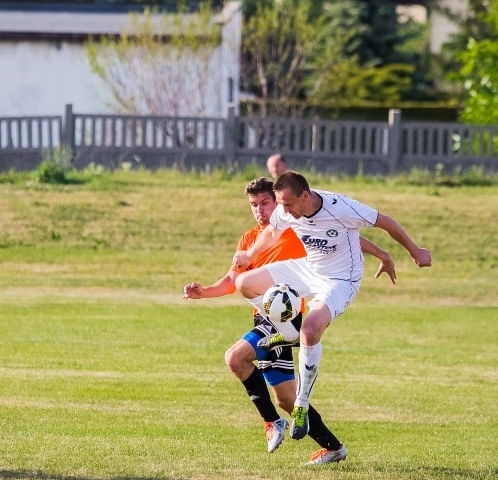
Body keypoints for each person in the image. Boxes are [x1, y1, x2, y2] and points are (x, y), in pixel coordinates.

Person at [184, 177, 396, 465]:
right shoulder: (249, 240)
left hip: (285, 318)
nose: (259, 210)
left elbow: (344, 236)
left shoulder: (295, 225)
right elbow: (232, 281)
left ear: (279, 201)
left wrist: (382, 254)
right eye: (253, 205)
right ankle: (333, 447)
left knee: (235, 358)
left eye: (265, 203)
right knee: (286, 399)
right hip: (262, 316)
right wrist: (205, 292)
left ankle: (272, 421)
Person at [233, 171, 432, 442]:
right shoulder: (285, 209)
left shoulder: (342, 208)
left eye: (288, 204)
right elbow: (271, 230)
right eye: (281, 204)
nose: (284, 211)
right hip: (308, 269)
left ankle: (301, 405)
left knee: (310, 330)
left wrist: (414, 251)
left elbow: (384, 221)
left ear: (305, 196)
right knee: (245, 283)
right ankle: (287, 332)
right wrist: (250, 254)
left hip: (340, 280)